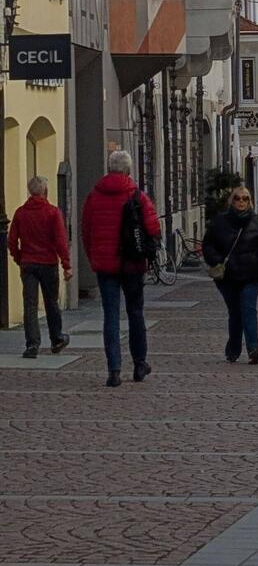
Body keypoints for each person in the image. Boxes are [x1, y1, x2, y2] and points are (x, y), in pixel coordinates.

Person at [81, 149, 161, 387]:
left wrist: (93, 256)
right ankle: (139, 363)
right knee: (135, 313)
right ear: (128, 169)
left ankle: (113, 370)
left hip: (105, 265)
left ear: (109, 168)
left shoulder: (94, 196)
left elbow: (86, 231)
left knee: (111, 316)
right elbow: (153, 229)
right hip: (133, 264)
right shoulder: (137, 195)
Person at [203, 186, 258, 364]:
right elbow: (208, 246)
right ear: (231, 201)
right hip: (228, 277)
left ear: (250, 201)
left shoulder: (256, 222)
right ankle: (233, 349)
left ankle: (253, 348)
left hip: (251, 275)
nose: (241, 202)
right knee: (235, 313)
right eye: (238, 198)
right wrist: (217, 260)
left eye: (245, 198)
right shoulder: (220, 222)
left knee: (249, 310)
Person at [9, 176, 72, 358]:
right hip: (48, 263)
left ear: (30, 191)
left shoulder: (21, 213)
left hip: (28, 263)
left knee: (30, 305)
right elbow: (60, 241)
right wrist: (66, 265)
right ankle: (57, 338)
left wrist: (19, 258)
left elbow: (12, 241)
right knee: (51, 302)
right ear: (45, 191)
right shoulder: (52, 213)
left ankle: (32, 344)